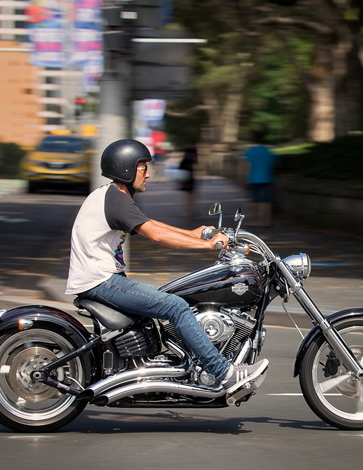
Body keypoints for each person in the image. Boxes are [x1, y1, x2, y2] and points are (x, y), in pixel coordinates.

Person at [65, 139, 268, 392]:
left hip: (103, 279)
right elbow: (156, 235)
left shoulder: (113, 196)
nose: (148, 174)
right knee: (177, 307)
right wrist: (208, 246)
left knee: (167, 301)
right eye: (143, 168)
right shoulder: (114, 199)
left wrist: (193, 234)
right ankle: (224, 373)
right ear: (126, 168)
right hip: (101, 282)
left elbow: (152, 224)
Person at [243, 141, 276, 227]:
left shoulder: (251, 150)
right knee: (266, 201)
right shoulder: (268, 150)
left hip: (254, 178)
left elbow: (248, 164)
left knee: (255, 201)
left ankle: (256, 220)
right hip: (267, 178)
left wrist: (245, 178)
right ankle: (266, 221)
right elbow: (274, 162)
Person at [178, 144, 197, 217]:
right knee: (190, 194)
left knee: (187, 194)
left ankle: (188, 210)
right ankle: (190, 210)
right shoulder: (190, 158)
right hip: (188, 175)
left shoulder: (185, 159)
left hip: (186, 175)